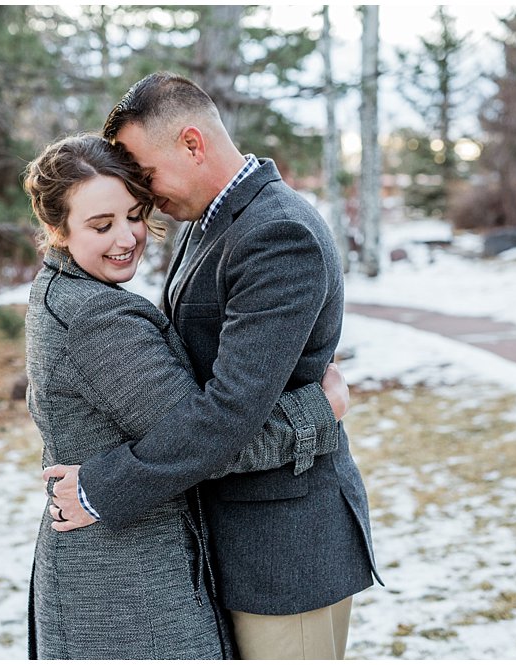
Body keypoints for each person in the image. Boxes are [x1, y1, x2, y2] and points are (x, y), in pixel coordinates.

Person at [45, 72, 382, 660]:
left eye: (145, 177)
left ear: (193, 144)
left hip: (285, 550)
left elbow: (228, 413)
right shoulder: (211, 220)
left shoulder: (276, 233)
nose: (144, 201)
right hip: (235, 538)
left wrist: (103, 488)